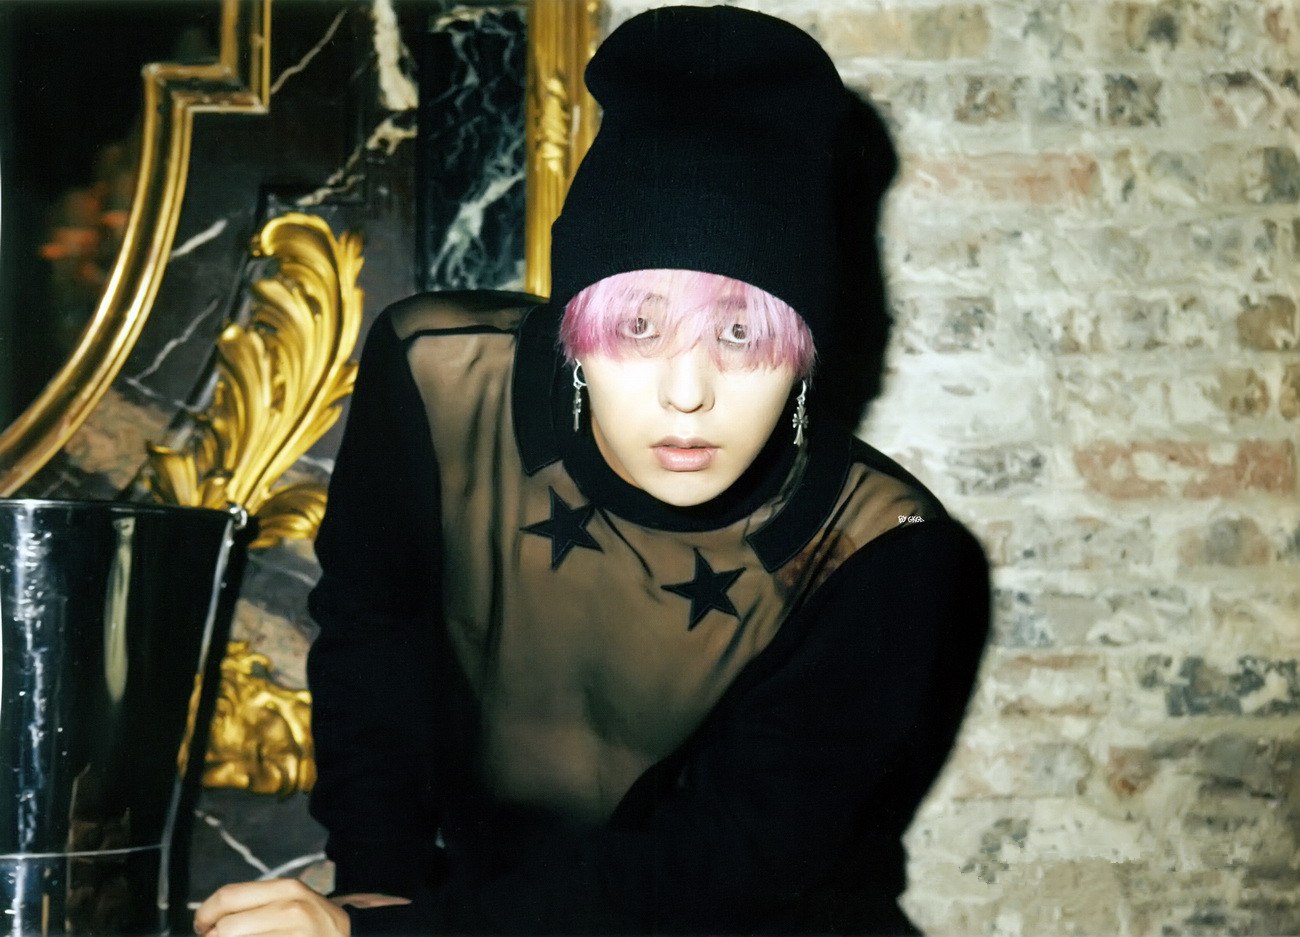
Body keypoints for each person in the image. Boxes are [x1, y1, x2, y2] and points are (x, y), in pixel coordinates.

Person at [194, 6, 990, 935]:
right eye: (638, 327)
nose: (688, 393)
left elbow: (719, 866)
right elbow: (374, 645)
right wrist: (377, 884)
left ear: (804, 350)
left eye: (742, 333)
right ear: (576, 327)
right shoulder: (441, 380)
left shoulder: (882, 549)